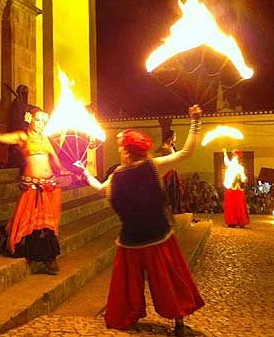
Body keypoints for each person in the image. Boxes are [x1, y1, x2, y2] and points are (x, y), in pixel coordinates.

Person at [77, 105, 205, 337]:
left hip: (133, 242)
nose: (120, 153)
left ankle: (128, 317)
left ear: (128, 152)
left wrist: (85, 174)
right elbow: (186, 152)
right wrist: (195, 122)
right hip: (156, 239)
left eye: (122, 149)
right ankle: (178, 323)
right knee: (170, 281)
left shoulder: (118, 176)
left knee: (129, 286)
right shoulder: (153, 166)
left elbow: (99, 189)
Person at [0, 101, 64, 274]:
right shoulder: (22, 137)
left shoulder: (45, 139)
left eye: (44, 121)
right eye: (38, 120)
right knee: (33, 221)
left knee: (47, 223)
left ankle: (49, 257)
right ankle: (42, 256)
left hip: (49, 184)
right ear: (30, 120)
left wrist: (66, 171)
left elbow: (55, 159)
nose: (41, 124)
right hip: (32, 185)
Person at [156, 129, 182, 214]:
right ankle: (170, 208)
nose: (175, 137)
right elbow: (158, 152)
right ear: (171, 136)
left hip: (173, 170)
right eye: (174, 135)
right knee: (170, 189)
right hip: (168, 171)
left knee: (177, 189)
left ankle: (176, 208)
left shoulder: (172, 146)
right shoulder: (165, 147)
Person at [223, 149, 250, 228]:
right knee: (231, 206)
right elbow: (227, 162)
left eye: (236, 156)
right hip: (231, 188)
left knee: (239, 205)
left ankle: (241, 221)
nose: (235, 157)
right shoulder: (230, 165)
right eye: (234, 155)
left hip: (238, 189)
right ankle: (232, 221)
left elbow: (243, 177)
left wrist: (244, 179)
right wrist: (224, 153)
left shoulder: (240, 168)